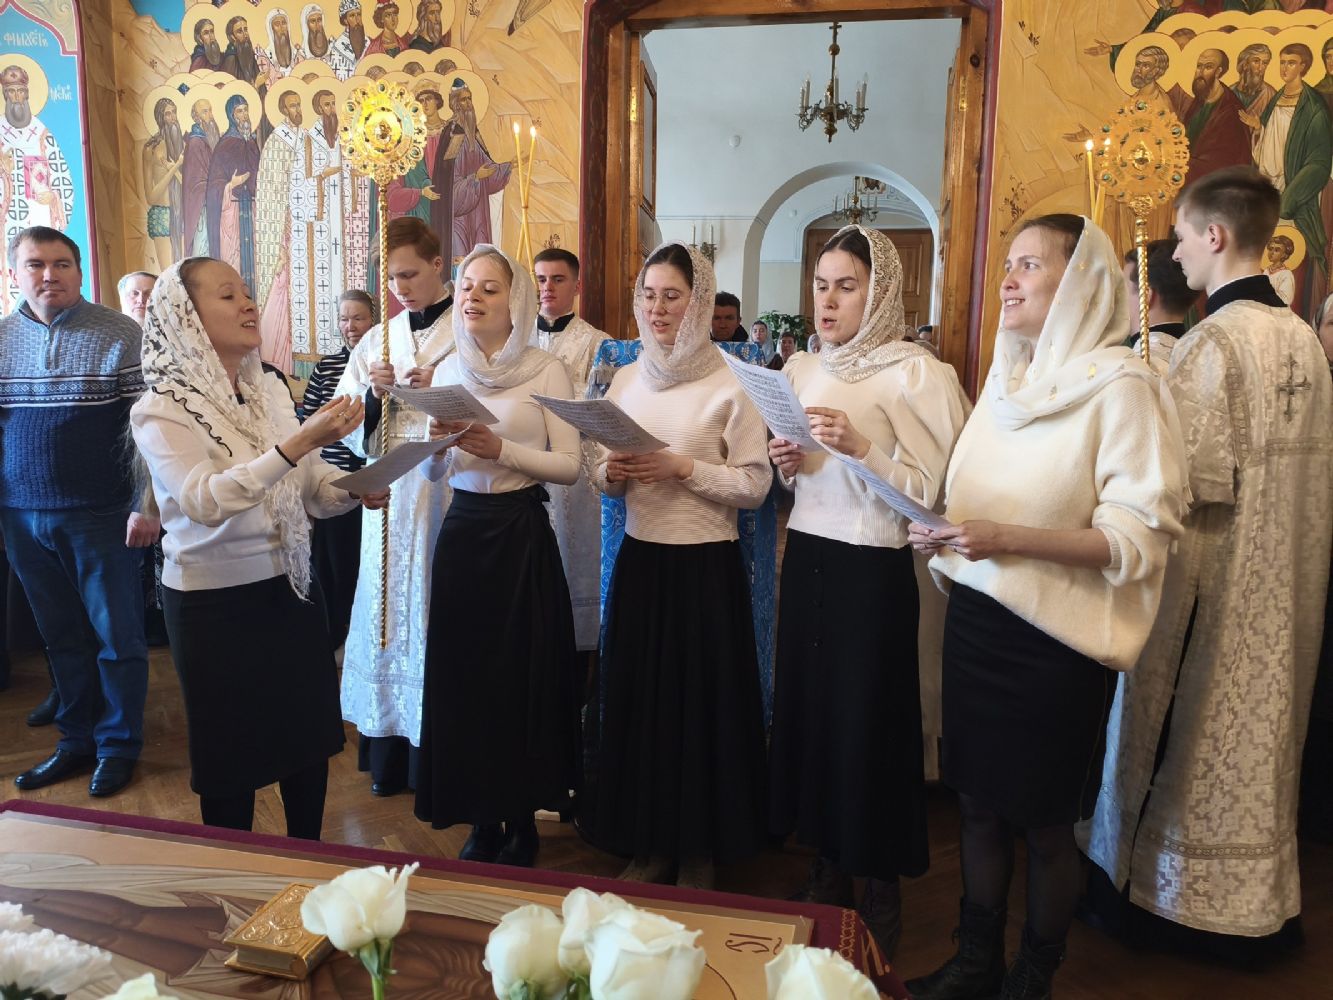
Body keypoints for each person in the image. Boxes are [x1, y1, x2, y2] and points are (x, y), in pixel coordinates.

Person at [906, 214, 1185, 1000]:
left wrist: (1006, 539)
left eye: (1029, 264)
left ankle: (1032, 977)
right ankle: (974, 963)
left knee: (1043, 822)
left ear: (1082, 282)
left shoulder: (1123, 388)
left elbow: (1135, 541)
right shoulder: (1006, 382)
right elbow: (970, 499)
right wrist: (944, 529)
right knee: (975, 806)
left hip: (1053, 646)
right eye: (1008, 263)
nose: (1007, 280)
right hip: (977, 623)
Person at [1084, 167, 1333, 962]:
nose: (1178, 254)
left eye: (1185, 236)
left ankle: (1158, 903)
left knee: (1182, 733)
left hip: (1214, 594)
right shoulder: (1302, 338)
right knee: (1261, 743)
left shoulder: (1211, 343)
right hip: (1286, 589)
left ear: (1215, 236)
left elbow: (1181, 486)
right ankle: (1255, 905)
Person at [132, 256, 387, 838]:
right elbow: (204, 500)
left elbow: (312, 488)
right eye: (228, 295)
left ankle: (310, 862)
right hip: (214, 605)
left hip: (292, 589)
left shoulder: (268, 389)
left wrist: (356, 488)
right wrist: (297, 444)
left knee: (307, 746)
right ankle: (237, 874)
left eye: (247, 292)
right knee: (231, 760)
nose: (249, 304)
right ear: (187, 316)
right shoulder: (160, 407)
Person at [767, 226, 969, 959]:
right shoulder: (801, 369)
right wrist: (786, 463)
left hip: (872, 569)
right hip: (809, 558)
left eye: (846, 286)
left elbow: (932, 496)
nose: (827, 301)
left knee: (867, 725)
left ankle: (878, 880)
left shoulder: (916, 373)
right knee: (814, 717)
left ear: (880, 293)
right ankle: (827, 860)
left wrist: (862, 448)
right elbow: (794, 483)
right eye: (820, 285)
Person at [587, 242, 772, 889]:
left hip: (705, 572)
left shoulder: (733, 381)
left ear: (699, 302)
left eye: (672, 296)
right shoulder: (625, 380)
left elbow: (754, 486)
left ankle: (698, 851)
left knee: (699, 715)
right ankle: (647, 843)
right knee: (643, 709)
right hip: (642, 564)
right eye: (648, 295)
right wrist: (611, 472)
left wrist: (681, 467)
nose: (658, 308)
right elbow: (602, 477)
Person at [414, 245, 581, 868]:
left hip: (519, 532)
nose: (473, 297)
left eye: (489, 288)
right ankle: (481, 817)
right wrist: (436, 449)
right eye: (466, 286)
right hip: (463, 533)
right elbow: (433, 474)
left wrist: (500, 449)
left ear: (515, 301)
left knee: (519, 679)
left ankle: (522, 819)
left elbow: (570, 466)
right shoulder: (447, 371)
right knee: (468, 679)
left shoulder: (547, 370)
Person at [2, 228, 152, 799]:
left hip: (101, 515)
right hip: (21, 515)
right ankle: (76, 740)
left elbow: (148, 433)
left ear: (80, 271)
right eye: (35, 264)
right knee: (61, 637)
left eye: (62, 263)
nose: (50, 275)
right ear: (15, 273)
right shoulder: (1, 338)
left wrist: (147, 504)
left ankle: (118, 746)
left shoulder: (120, 333)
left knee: (117, 638)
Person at [334, 217, 455, 797]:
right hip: (390, 494)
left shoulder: (468, 329)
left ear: (438, 264)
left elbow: (495, 408)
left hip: (444, 489)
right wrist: (373, 395)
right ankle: (387, 749)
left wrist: (440, 389)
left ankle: (437, 752)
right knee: (385, 605)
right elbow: (344, 419)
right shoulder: (379, 338)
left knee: (436, 601)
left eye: (409, 274)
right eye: (391, 278)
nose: (400, 288)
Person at [533, 247, 607, 654]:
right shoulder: (514, 340)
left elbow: (604, 408)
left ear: (576, 286)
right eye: (541, 279)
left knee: (571, 558)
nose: (548, 288)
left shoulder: (599, 343)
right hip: (524, 470)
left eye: (558, 279)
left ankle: (577, 659)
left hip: (574, 478)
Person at [301, 290, 375, 651]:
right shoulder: (327, 367)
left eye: (358, 318)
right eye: (344, 319)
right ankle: (331, 637)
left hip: (375, 480)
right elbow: (307, 421)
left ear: (374, 320)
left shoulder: (384, 364)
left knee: (364, 565)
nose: (351, 326)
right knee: (331, 566)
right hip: (333, 479)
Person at [117, 271, 170, 650]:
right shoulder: (113, 341)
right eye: (134, 294)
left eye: (149, 293)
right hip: (119, 466)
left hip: (162, 460)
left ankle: (162, 623)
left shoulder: (173, 344)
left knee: (162, 548)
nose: (141, 300)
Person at [1122, 239, 1196, 369]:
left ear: (1145, 296)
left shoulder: (1136, 366)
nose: (1118, 298)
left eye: (1123, 289)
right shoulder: (1201, 355)